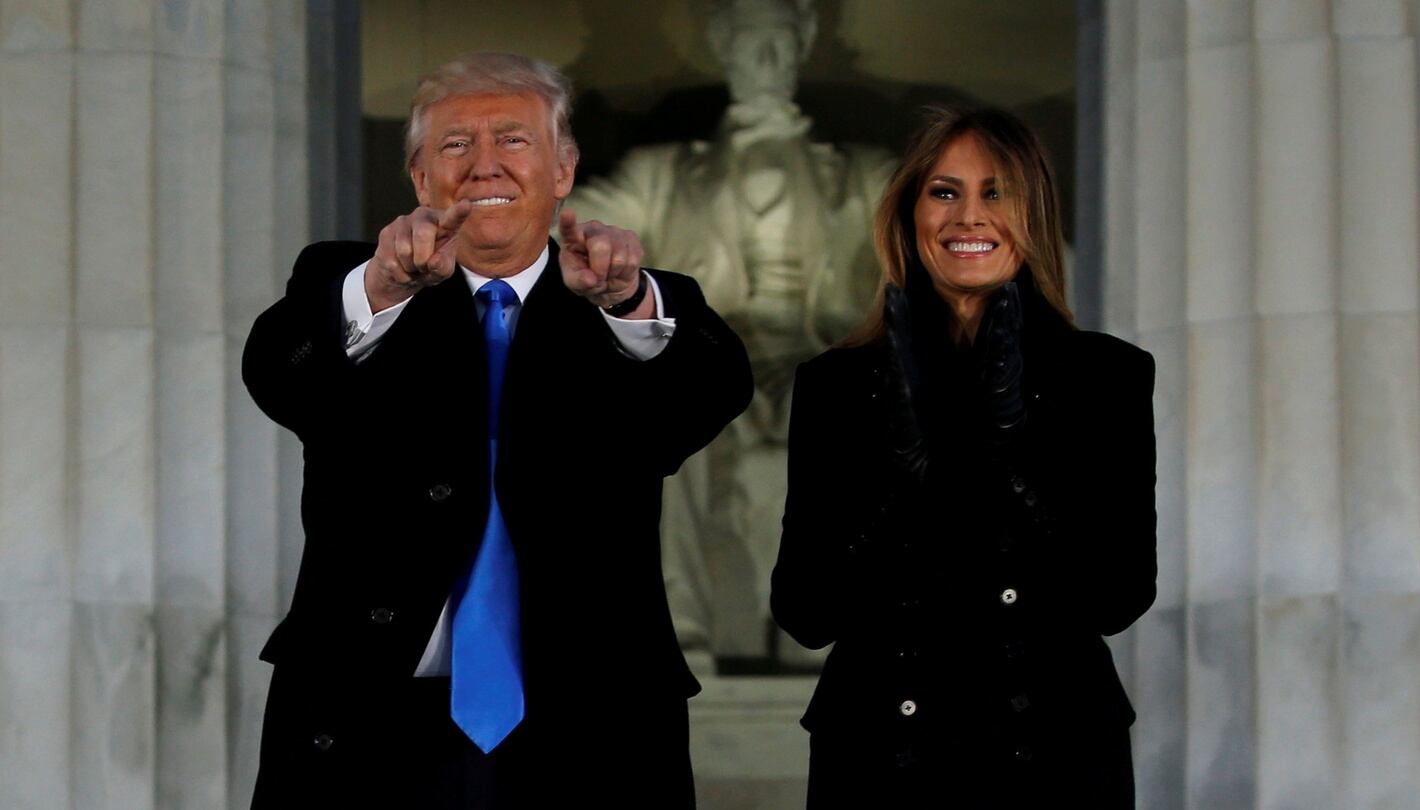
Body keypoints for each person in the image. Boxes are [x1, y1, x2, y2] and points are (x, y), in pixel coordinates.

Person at [242, 52, 752, 809]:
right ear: (420, 178)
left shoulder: (632, 301)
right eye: (455, 146)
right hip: (372, 730)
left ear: (563, 170)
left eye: (514, 141)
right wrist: (383, 287)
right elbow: (279, 378)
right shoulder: (353, 286)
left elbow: (710, 396)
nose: (485, 166)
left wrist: (628, 303)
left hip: (588, 734)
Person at [770, 105, 1157, 807]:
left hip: (1053, 759)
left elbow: (1119, 593)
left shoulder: (1106, 376)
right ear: (909, 213)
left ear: (1033, 213)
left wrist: (1013, 457)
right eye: (944, 191)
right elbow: (804, 610)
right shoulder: (837, 384)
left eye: (995, 192)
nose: (967, 217)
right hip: (883, 759)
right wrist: (901, 472)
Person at [568, 0, 893, 665]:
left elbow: (952, 220)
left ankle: (824, 623)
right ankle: (679, 630)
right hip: (708, 357)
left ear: (802, 48)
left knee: (844, 402)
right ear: (724, 49)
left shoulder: (861, 172)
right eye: (751, 45)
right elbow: (561, 225)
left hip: (823, 353)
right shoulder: (661, 173)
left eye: (779, 44)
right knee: (660, 415)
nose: (766, 62)